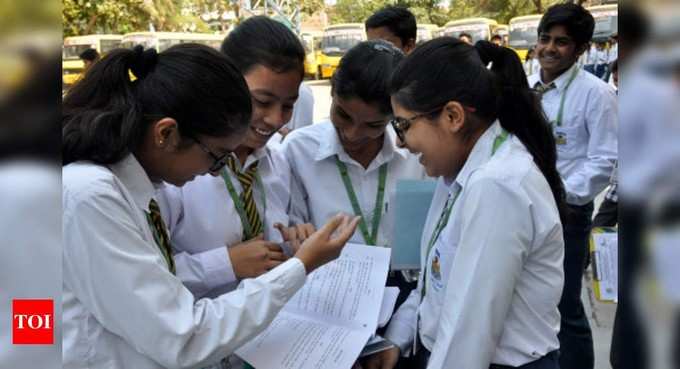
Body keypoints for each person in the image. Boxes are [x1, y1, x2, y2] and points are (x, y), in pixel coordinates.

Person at [62, 43, 360, 369]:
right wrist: (299, 267)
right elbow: (184, 338)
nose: (211, 171)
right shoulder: (89, 196)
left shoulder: (127, 187)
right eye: (217, 157)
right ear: (167, 133)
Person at [363, 37, 566, 369]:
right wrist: (398, 338)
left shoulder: (496, 186)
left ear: (453, 116)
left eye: (402, 125)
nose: (400, 144)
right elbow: (437, 281)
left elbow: (468, 334)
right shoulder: (458, 172)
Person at [157, 16, 312, 307]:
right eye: (262, 102)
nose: (276, 119)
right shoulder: (176, 169)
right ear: (224, 86)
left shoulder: (277, 161)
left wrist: (295, 239)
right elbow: (145, 275)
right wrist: (225, 264)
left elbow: (280, 232)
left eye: (288, 105)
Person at [283, 39, 427, 311]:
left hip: (404, 298)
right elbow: (292, 233)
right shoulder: (298, 151)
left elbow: (424, 251)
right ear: (333, 91)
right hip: (325, 297)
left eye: (373, 125)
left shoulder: (416, 157)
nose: (352, 134)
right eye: (343, 115)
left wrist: (401, 332)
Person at [528, 4, 618, 369]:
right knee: (533, 303)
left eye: (561, 42)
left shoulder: (596, 95)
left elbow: (603, 162)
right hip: (526, 208)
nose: (549, 48)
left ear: (581, 49)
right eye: (544, 39)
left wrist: (558, 193)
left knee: (565, 305)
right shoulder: (529, 85)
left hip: (566, 214)